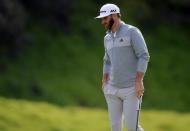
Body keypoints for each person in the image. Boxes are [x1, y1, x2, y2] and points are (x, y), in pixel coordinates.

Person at [95, 3, 150, 131]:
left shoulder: (132, 32)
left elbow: (143, 55)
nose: (103, 22)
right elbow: (107, 60)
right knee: (115, 128)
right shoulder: (107, 38)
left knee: (132, 128)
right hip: (112, 89)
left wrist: (139, 80)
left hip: (131, 89)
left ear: (114, 15)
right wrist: (105, 80)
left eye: (105, 18)